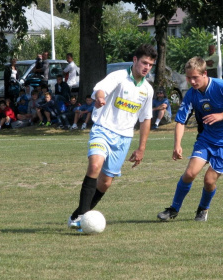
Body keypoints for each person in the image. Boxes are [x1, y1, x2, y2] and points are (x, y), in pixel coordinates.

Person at [67, 43, 158, 231]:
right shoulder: (118, 77)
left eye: (150, 64)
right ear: (135, 60)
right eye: (144, 62)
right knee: (94, 165)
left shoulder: (147, 90)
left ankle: (78, 214)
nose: (147, 67)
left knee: (106, 182)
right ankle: (83, 218)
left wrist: (141, 148)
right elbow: (100, 89)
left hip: (123, 138)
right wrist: (100, 98)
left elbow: (146, 119)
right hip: (103, 129)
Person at [157, 56, 223, 222]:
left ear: (204, 74)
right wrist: (177, 145)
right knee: (189, 173)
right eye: (189, 78)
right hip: (206, 139)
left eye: (195, 77)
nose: (192, 82)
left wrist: (222, 115)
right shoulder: (191, 95)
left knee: (209, 180)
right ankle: (173, 209)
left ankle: (203, 209)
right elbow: (181, 121)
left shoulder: (221, 86)